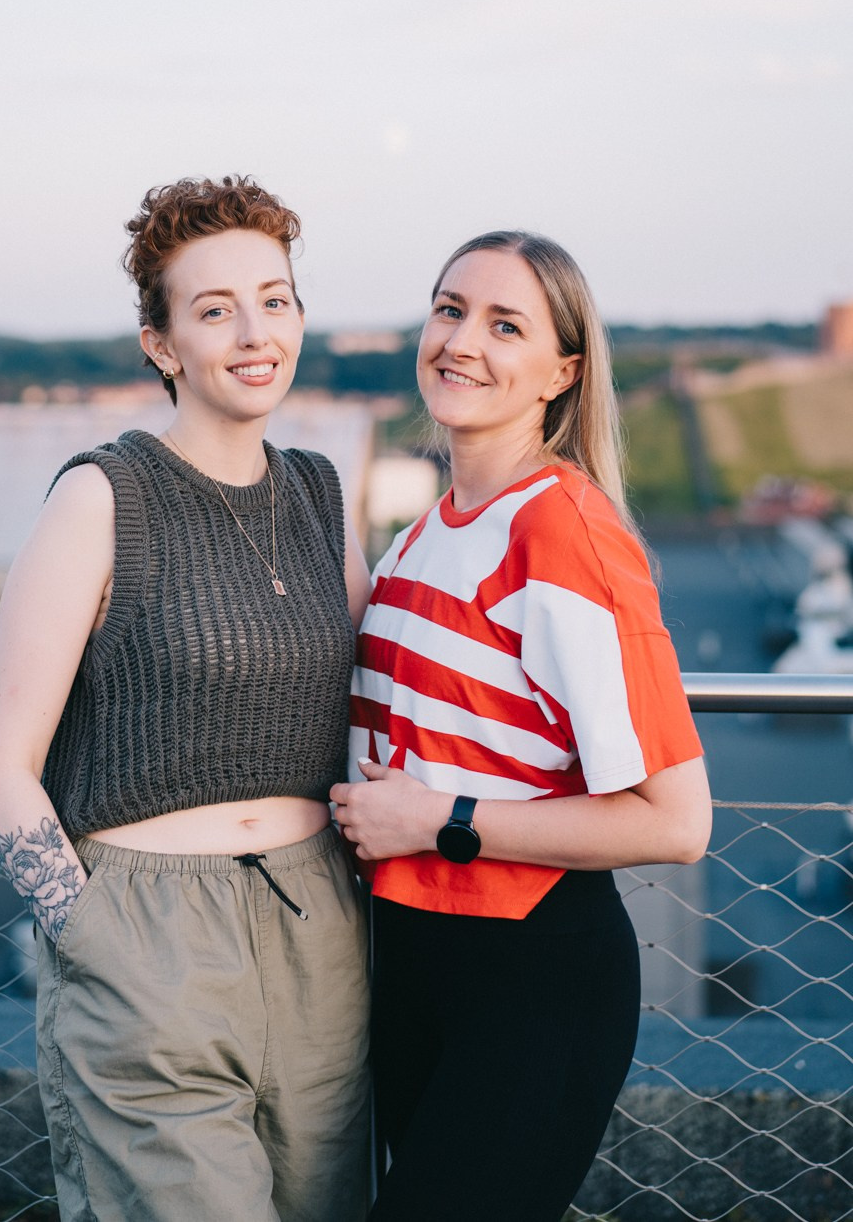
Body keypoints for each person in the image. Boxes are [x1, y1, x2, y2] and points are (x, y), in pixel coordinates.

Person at [0, 176, 372, 1222]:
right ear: (161, 345)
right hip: (145, 929)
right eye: (214, 308)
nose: (254, 331)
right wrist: (89, 935)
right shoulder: (101, 496)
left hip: (319, 929)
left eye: (274, 299)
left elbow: (373, 712)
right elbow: (0, 765)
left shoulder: (325, 497)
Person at [331, 230, 712, 1222]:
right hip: (413, 963)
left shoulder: (564, 534)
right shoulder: (426, 530)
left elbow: (674, 822)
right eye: (449, 309)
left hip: (531, 979)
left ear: (563, 372)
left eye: (506, 324)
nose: (462, 341)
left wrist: (437, 818)